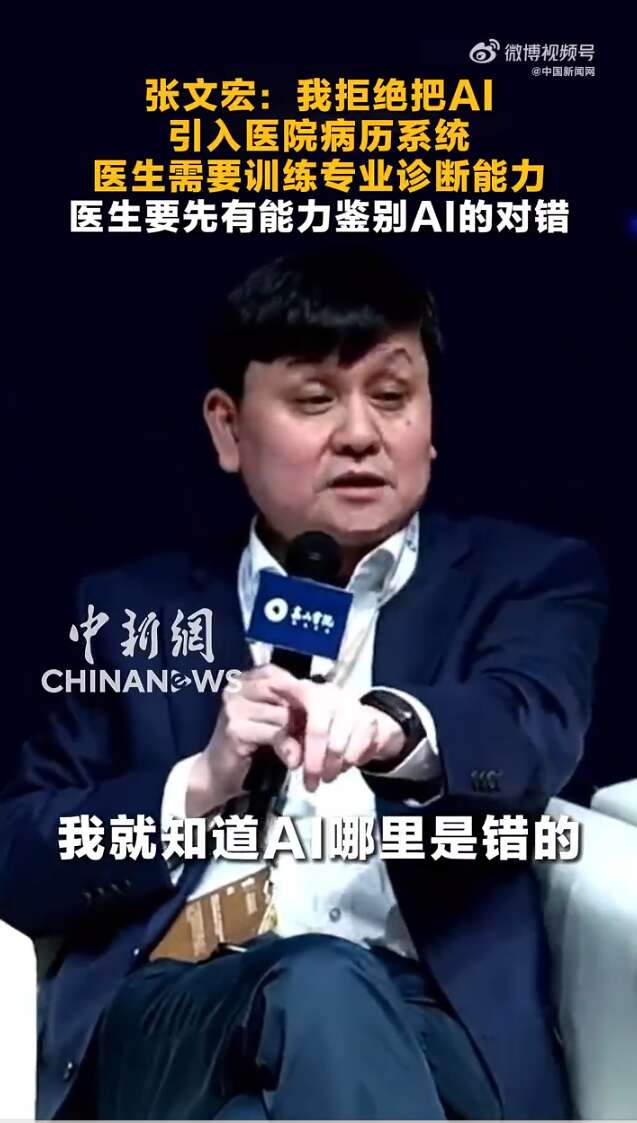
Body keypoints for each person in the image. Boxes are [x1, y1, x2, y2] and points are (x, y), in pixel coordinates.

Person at [0, 246, 606, 1120]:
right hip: (179, 1018)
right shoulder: (133, 611)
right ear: (227, 428)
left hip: (427, 1027)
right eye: (315, 399)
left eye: (391, 396)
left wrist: (390, 729)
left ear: (430, 420)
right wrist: (194, 786)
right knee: (315, 979)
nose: (360, 433)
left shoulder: (526, 579)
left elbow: (526, 727)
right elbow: (19, 856)